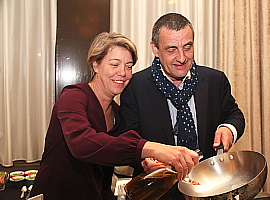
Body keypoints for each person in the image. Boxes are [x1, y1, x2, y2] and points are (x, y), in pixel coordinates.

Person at [29, 32, 199, 200]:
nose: (123, 73)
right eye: (115, 64)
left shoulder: (117, 113)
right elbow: (81, 143)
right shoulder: (73, 97)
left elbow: (114, 150)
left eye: (129, 66)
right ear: (95, 64)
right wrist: (151, 149)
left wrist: (145, 162)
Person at [118, 13, 245, 199]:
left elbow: (234, 115)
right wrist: (144, 158)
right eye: (171, 50)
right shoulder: (136, 86)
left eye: (188, 47)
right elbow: (126, 138)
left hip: (208, 188)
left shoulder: (215, 80)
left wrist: (228, 129)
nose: (182, 57)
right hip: (158, 192)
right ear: (155, 48)